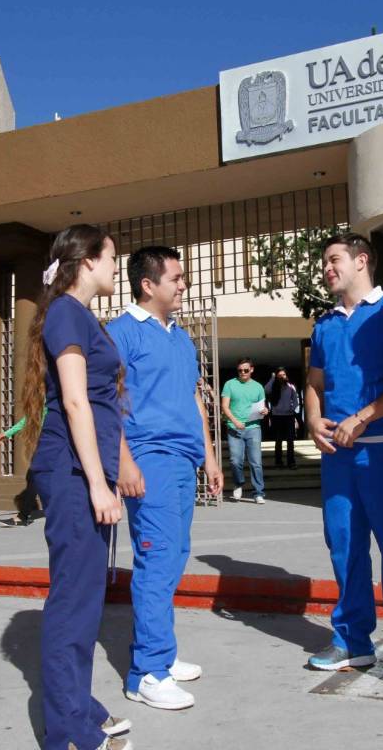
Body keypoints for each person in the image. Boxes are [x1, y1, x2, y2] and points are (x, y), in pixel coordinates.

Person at [18, 224, 132, 750]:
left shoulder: (79, 316)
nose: (116, 267)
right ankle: (68, 731)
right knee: (74, 600)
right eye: (111, 258)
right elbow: (75, 401)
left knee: (86, 598)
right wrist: (97, 485)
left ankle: (79, 705)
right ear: (87, 260)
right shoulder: (66, 312)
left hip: (82, 470)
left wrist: (115, 470)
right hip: (70, 472)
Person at [304, 233, 383, 687]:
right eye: (324, 262)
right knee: (345, 548)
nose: (326, 268)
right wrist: (314, 419)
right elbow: (314, 381)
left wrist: (360, 418)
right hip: (338, 456)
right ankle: (352, 640)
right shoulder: (324, 325)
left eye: (333, 260)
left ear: (361, 261)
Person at [107, 245, 224, 711]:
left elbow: (195, 399)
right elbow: (106, 401)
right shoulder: (121, 333)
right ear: (148, 284)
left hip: (183, 459)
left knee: (174, 556)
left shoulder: (179, 338)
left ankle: (163, 655)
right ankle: (147, 673)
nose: (183, 284)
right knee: (156, 564)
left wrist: (211, 459)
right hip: (147, 457)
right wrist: (123, 462)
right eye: (176, 277)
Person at [220, 358, 266, 503]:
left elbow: (261, 407)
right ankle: (238, 484)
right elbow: (224, 406)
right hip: (234, 428)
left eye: (246, 370)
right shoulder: (230, 384)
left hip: (253, 428)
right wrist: (234, 421)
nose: (243, 373)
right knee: (235, 461)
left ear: (251, 369)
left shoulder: (258, 387)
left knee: (256, 462)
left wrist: (265, 411)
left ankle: (258, 492)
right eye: (240, 370)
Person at [0, 406, 46, 526]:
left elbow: (32, 417)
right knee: (32, 477)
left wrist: (7, 433)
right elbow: (31, 417)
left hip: (54, 443)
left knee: (34, 477)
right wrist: (7, 433)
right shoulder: (48, 397)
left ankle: (23, 516)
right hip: (49, 442)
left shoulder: (53, 396)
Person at [265, 367, 300, 469]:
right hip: (276, 417)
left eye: (283, 375)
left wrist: (292, 409)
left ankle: (291, 462)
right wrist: (272, 379)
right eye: (279, 375)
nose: (282, 377)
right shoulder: (273, 387)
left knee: (290, 440)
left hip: (288, 417)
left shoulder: (291, 387)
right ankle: (278, 462)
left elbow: (296, 401)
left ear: (286, 376)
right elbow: (266, 390)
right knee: (278, 440)